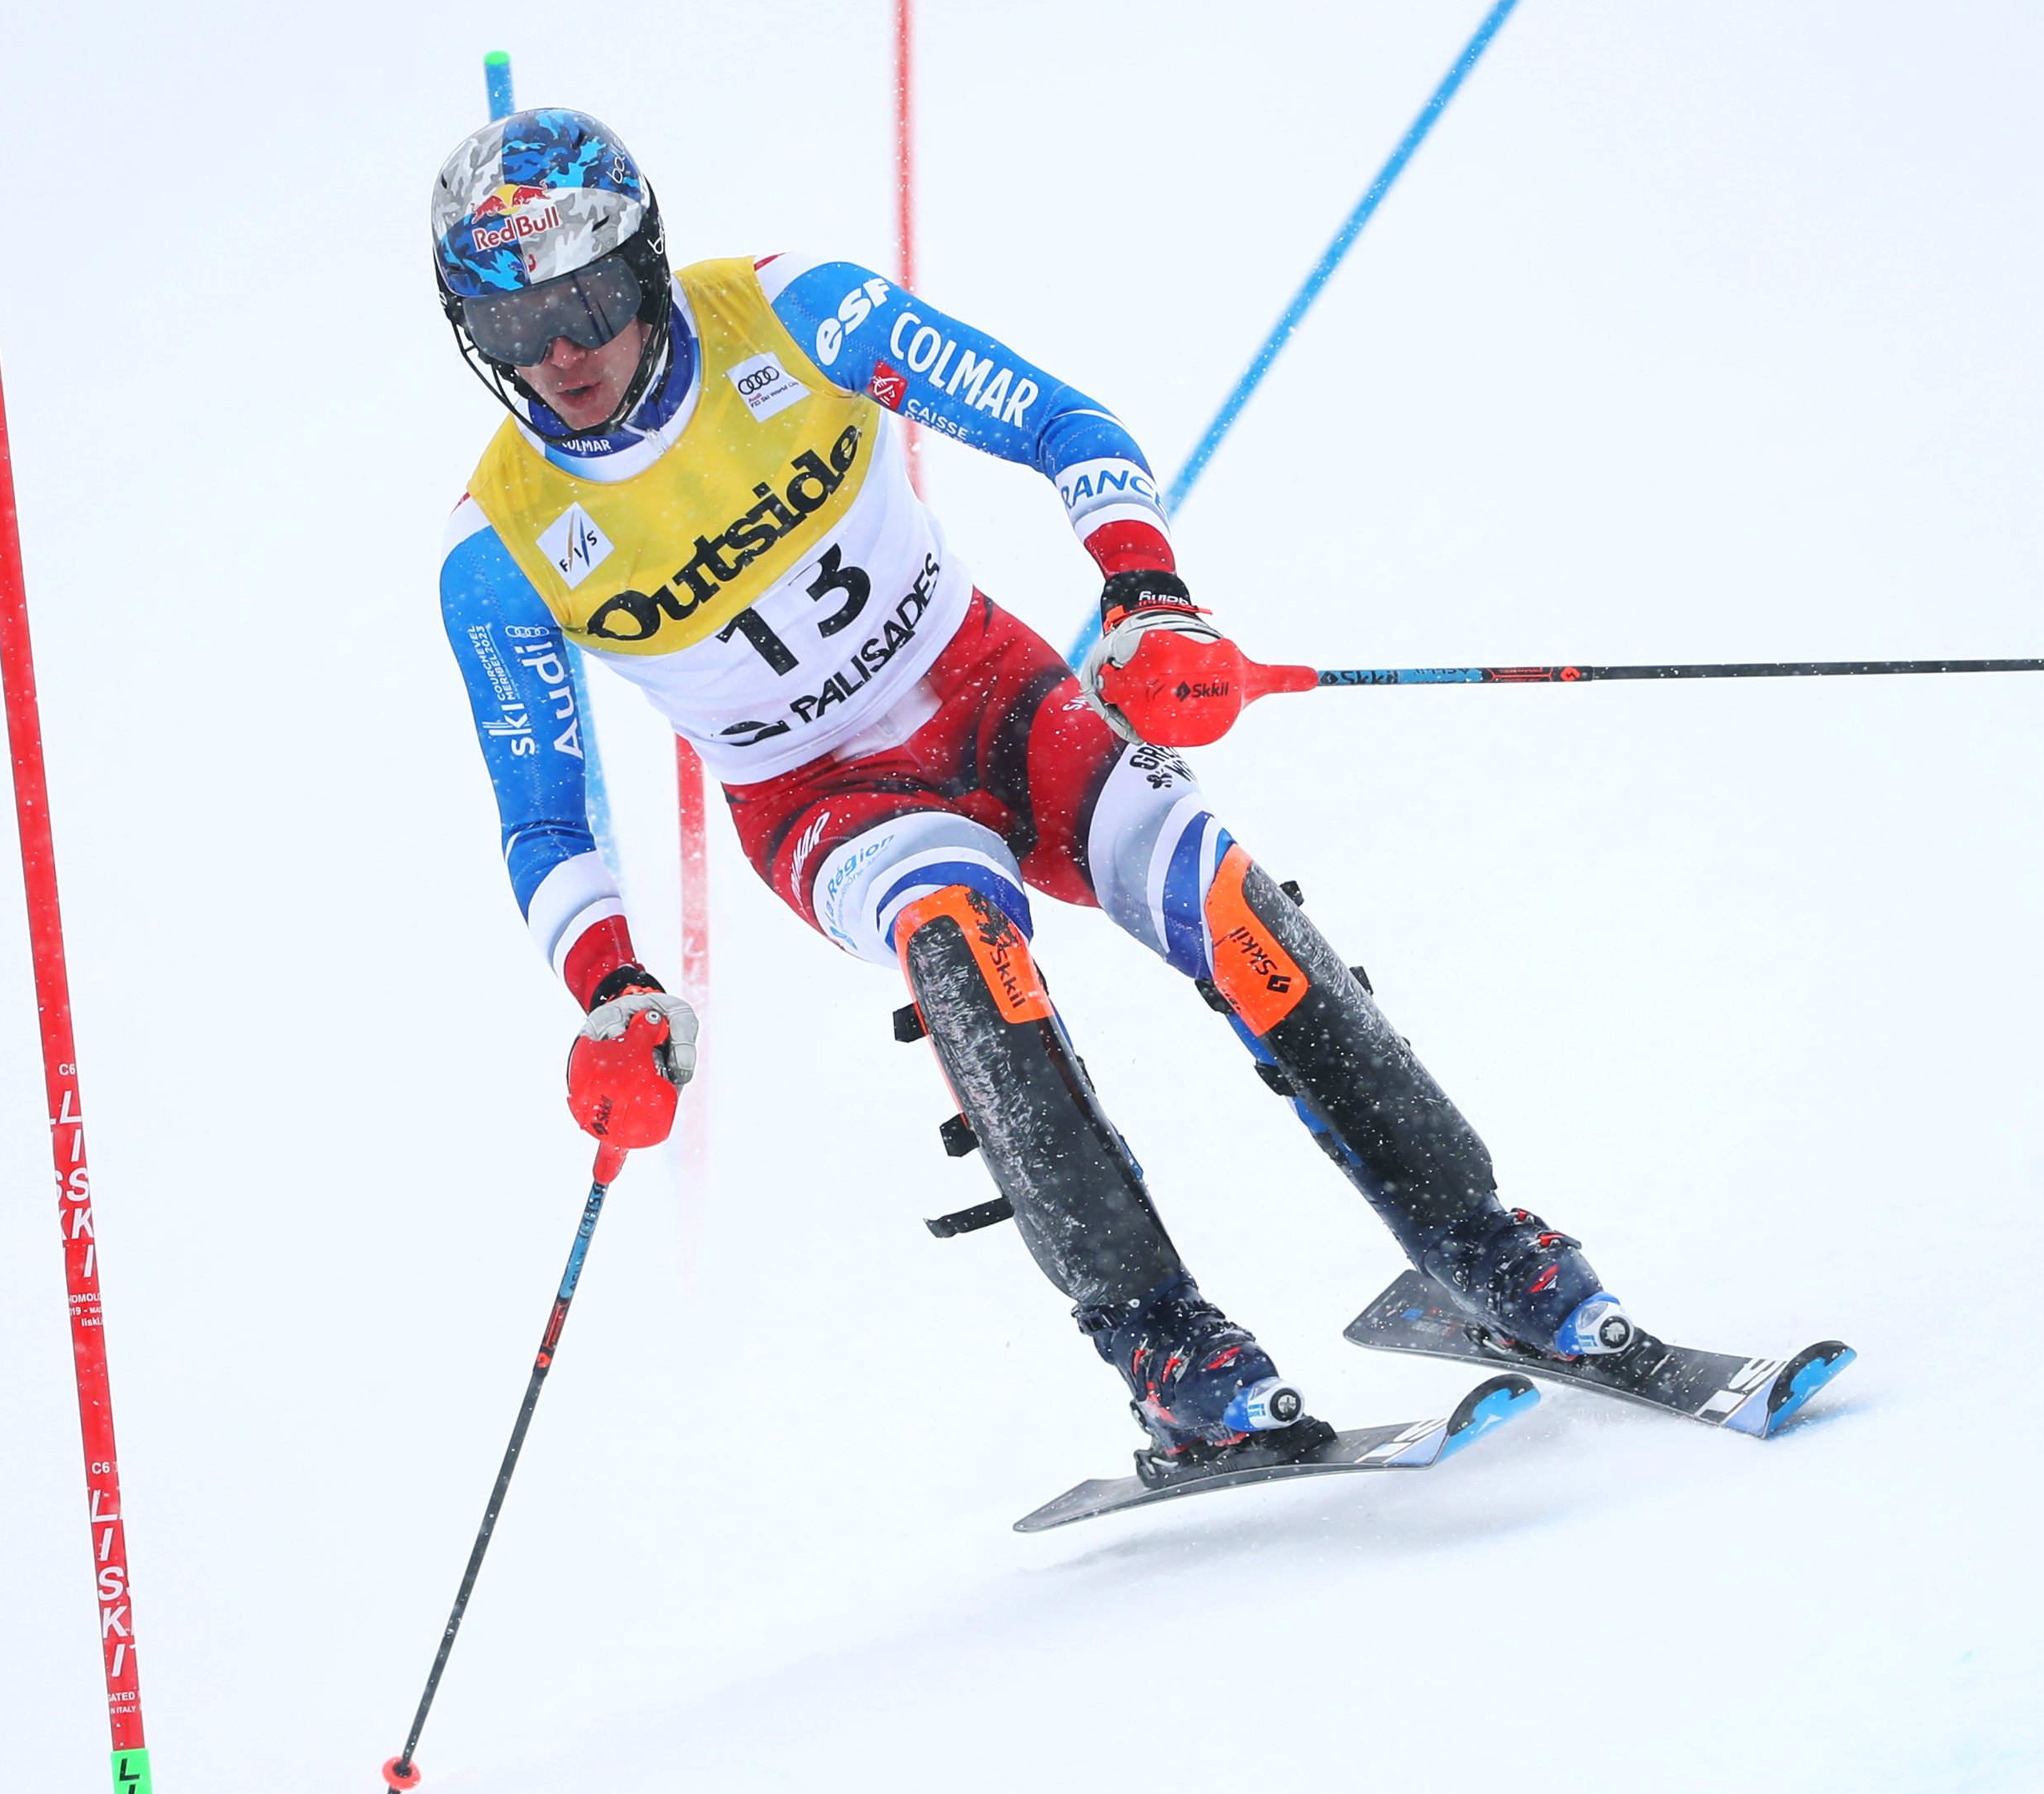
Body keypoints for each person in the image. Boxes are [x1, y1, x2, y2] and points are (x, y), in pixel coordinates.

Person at [432, 108, 1634, 1481]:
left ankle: (1476, 1238)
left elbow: (1064, 420)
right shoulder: (501, 545)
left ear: (642, 266)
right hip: (829, 801)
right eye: (515, 327)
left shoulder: (794, 314)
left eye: (583, 301)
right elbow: (544, 819)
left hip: (997, 694)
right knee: (961, 940)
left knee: (1222, 897)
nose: (564, 354)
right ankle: (1164, 1347)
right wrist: (611, 992)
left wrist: (1147, 591)